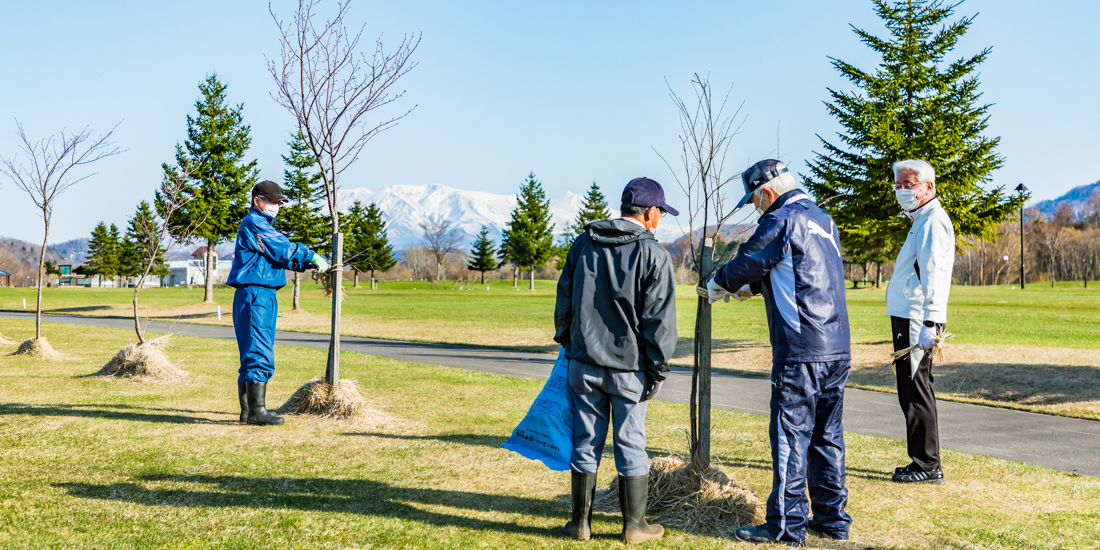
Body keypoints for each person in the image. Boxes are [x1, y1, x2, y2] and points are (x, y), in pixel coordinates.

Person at [707, 159, 853, 546]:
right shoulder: (823, 219)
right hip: (836, 346)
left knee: (791, 435)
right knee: (827, 436)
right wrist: (749, 291)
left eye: (756, 201)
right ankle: (832, 518)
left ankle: (787, 525)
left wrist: (716, 283)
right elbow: (795, 269)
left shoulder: (780, 219)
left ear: (767, 193)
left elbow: (749, 262)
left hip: (801, 348)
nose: (757, 208)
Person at [554, 177, 678, 545]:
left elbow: (565, 298)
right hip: (630, 368)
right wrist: (658, 368)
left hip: (583, 361)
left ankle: (579, 524)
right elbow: (660, 321)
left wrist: (568, 342)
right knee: (630, 444)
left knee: (585, 440)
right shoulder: (653, 254)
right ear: (651, 213)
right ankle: (635, 526)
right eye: (661, 214)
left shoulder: (583, 244)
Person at [227, 180, 329, 426]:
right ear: (257, 201)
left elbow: (278, 258)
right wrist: (311, 254)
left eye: (278, 202)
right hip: (256, 295)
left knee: (252, 353)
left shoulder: (259, 225)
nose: (276, 206)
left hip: (259, 294)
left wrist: (308, 263)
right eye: (272, 202)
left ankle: (248, 413)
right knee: (259, 351)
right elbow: (282, 249)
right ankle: (258, 412)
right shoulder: (255, 224)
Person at [886, 159, 954, 485]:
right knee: (910, 389)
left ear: (928, 186)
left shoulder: (931, 222)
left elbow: (935, 274)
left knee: (916, 390)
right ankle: (922, 461)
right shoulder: (920, 219)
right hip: (909, 315)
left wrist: (931, 323)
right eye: (898, 185)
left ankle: (927, 465)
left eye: (908, 184)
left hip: (917, 319)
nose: (901, 190)